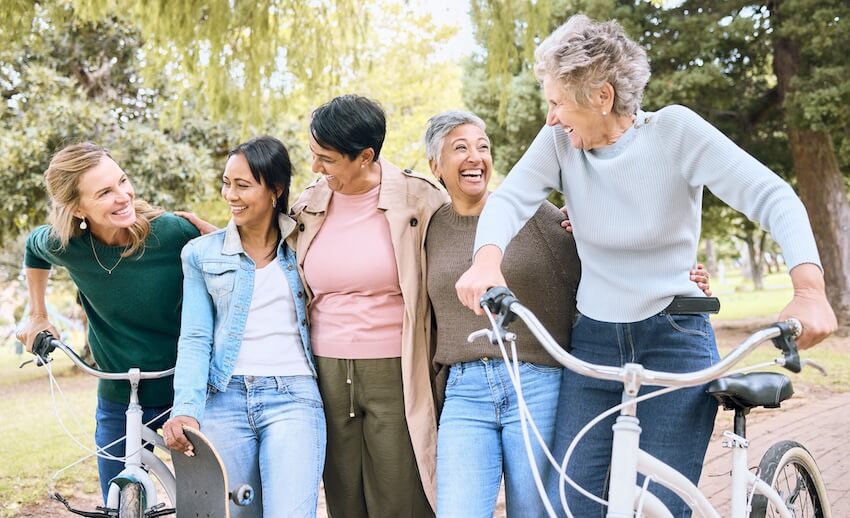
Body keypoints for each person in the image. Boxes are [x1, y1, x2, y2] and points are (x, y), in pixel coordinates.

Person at [455, 14, 837, 518]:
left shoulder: (676, 132)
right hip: (594, 336)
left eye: (557, 102)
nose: (550, 118)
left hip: (674, 336)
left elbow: (772, 196)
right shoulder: (560, 145)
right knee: (567, 504)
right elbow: (509, 203)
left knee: (658, 507)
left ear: (602, 97)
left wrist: (808, 288)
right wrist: (486, 262)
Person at [15, 142, 201, 501]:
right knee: (115, 500)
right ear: (76, 207)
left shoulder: (172, 232)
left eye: (122, 181)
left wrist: (215, 235)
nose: (123, 196)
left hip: (186, 393)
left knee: (203, 502)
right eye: (104, 192)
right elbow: (32, 250)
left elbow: (231, 260)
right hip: (119, 395)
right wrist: (38, 314)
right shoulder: (65, 244)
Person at [291, 94, 447, 517]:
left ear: (365, 156)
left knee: (401, 495)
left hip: (396, 366)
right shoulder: (308, 204)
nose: (316, 168)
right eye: (313, 155)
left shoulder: (422, 199)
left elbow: (465, 241)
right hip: (325, 366)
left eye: (326, 159)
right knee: (343, 495)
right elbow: (268, 254)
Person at [424, 110, 580, 517]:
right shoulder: (429, 229)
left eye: (482, 147)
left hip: (537, 382)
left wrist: (685, 277)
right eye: (460, 148)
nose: (475, 157)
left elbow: (598, 264)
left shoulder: (533, 213)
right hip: (463, 391)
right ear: (435, 165)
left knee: (536, 511)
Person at [163, 136, 325, 517]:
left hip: (295, 398)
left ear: (276, 189)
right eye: (226, 183)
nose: (230, 195)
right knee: (235, 513)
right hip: (225, 399)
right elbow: (195, 337)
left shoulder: (305, 244)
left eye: (242, 185)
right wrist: (185, 408)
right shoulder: (201, 255)